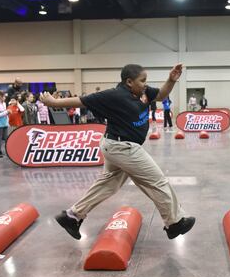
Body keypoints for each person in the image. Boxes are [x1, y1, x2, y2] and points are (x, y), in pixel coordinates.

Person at [41, 63, 195, 241]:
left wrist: (171, 80)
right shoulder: (114, 95)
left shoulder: (143, 92)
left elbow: (161, 95)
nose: (145, 84)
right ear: (129, 82)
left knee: (108, 184)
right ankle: (174, 223)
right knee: (157, 181)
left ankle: (72, 216)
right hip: (123, 147)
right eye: (142, 80)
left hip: (115, 146)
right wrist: (54, 103)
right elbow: (83, 101)